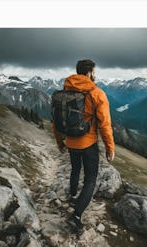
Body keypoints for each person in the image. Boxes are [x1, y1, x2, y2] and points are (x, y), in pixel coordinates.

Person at [52, 59, 115, 235]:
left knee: (75, 169)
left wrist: (60, 142)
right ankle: (77, 215)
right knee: (90, 179)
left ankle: (73, 197)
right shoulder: (96, 93)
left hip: (71, 142)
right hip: (88, 143)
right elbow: (105, 124)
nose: (95, 75)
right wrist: (110, 148)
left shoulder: (65, 91)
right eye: (94, 72)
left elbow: (56, 121)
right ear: (89, 73)